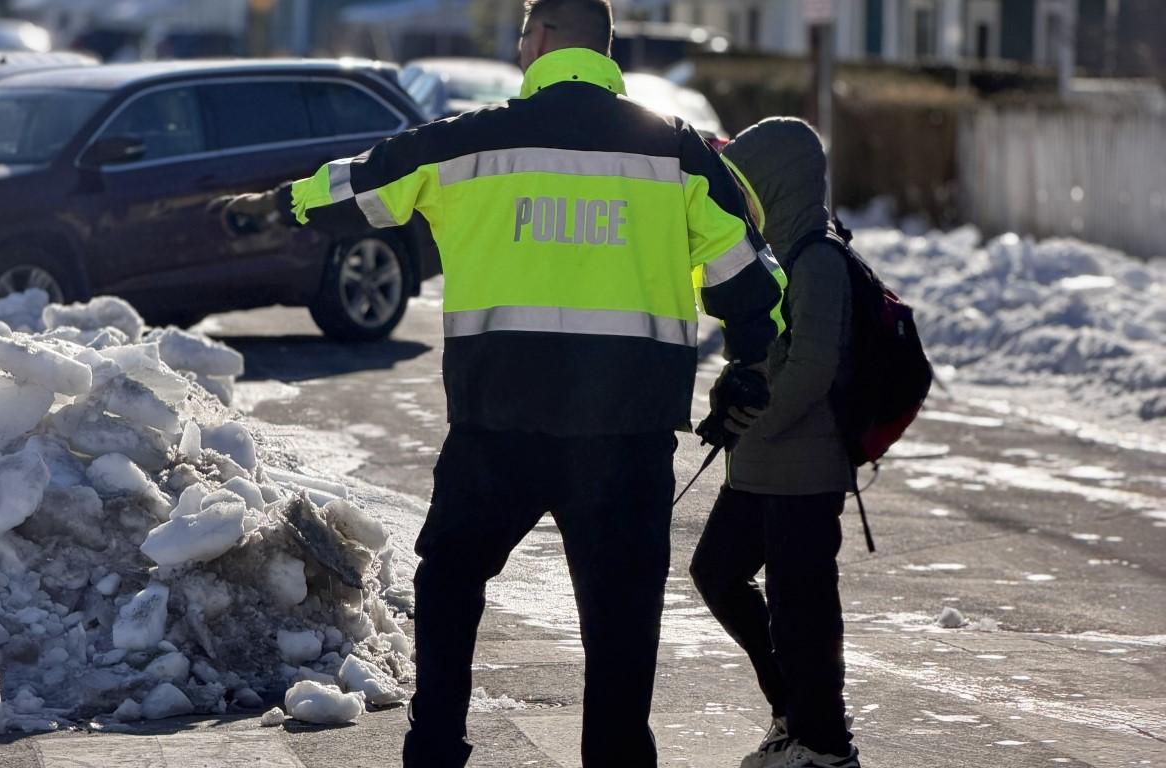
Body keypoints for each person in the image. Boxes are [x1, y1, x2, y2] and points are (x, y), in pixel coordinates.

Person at [224, 1, 787, 765]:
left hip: (498, 425)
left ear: (543, 37)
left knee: (453, 582)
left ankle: (435, 746)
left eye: (523, 32)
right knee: (621, 616)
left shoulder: (469, 140)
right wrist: (746, 369)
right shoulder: (678, 153)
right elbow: (752, 278)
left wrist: (275, 205)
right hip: (625, 434)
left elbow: (363, 183)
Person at [689, 118, 861, 768]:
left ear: (781, 187)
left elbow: (812, 369)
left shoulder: (819, 260)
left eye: (750, 190)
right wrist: (732, 392)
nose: (743, 204)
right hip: (763, 466)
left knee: (804, 611)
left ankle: (826, 743)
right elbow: (770, 359)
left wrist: (751, 419)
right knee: (718, 572)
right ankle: (795, 713)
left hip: (804, 471)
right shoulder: (778, 257)